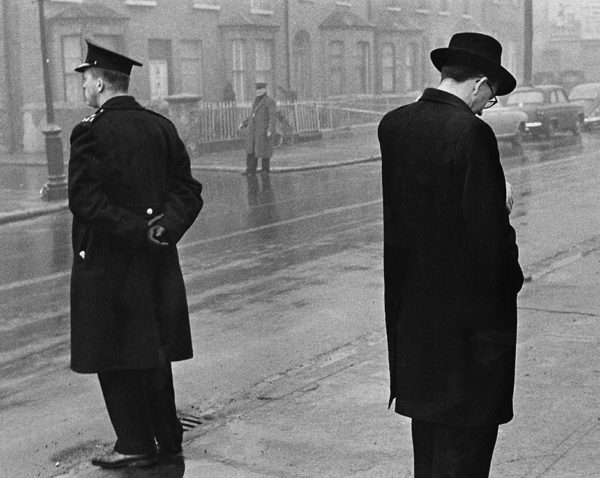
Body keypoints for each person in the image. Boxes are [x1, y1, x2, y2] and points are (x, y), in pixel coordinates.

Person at [378, 32, 524, 477]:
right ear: (479, 83)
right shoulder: (470, 132)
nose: (486, 106)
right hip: (469, 337)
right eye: (491, 97)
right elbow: (488, 242)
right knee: (466, 456)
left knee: (430, 454)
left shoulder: (394, 124)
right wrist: (501, 206)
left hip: (416, 326)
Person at [68, 40, 203, 469]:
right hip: (157, 261)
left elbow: (85, 201)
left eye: (86, 78)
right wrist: (163, 229)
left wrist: (135, 231)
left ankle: (134, 444)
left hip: (109, 264)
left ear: (101, 82)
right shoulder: (159, 126)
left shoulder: (89, 130)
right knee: (154, 350)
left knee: (116, 355)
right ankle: (168, 436)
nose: (85, 86)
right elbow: (188, 191)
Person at [240, 82, 277, 175]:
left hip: (263, 131)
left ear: (265, 90)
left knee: (264, 151)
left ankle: (265, 169)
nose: (258, 91)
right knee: (251, 150)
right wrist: (244, 123)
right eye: (257, 89)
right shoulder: (255, 101)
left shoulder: (269, 101)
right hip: (253, 131)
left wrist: (270, 130)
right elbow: (252, 115)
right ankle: (250, 169)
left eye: (260, 89)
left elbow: (272, 117)